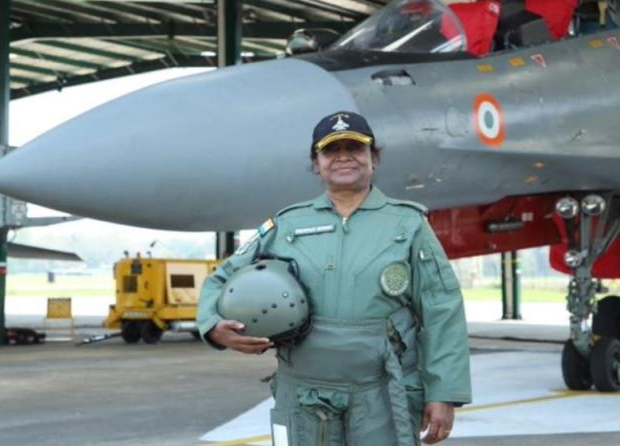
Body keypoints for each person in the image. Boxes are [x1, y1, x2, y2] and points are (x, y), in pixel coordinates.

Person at [197, 111, 471, 445]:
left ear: (374, 158)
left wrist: (443, 392)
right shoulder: (286, 225)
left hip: (384, 392)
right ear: (316, 164)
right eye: (331, 150)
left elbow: (442, 308)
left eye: (354, 148)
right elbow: (222, 278)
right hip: (303, 395)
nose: (343, 156)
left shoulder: (409, 223)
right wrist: (212, 325)